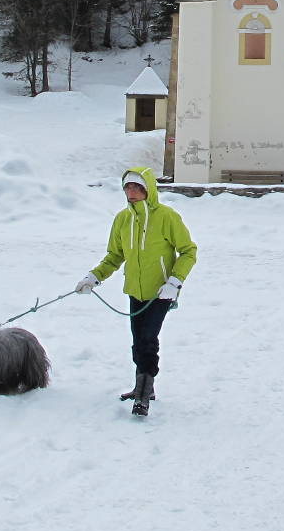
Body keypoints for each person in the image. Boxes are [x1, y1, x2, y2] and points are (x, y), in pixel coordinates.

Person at [75, 166, 197, 415]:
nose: (132, 192)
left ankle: (143, 395)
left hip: (160, 291)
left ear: (148, 190)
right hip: (135, 290)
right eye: (128, 187)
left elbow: (188, 251)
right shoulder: (122, 219)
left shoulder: (167, 216)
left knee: (147, 340)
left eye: (137, 187)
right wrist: (93, 277)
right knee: (137, 340)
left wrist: (174, 282)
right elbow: (115, 255)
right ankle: (142, 385)